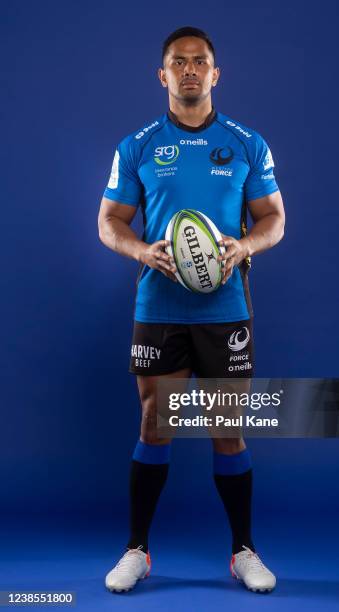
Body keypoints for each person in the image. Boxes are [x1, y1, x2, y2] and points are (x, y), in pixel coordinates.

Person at [98, 26, 285, 594]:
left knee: (228, 429)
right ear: (163, 75)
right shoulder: (137, 146)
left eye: (199, 61)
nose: (189, 70)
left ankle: (243, 550)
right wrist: (141, 249)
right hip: (159, 306)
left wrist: (245, 246)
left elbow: (274, 219)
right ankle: (137, 550)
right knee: (156, 424)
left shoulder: (247, 143)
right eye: (178, 62)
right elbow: (109, 222)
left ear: (215, 73)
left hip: (226, 308)